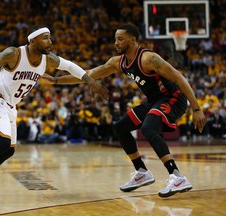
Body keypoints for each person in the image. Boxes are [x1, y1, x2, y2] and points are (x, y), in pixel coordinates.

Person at [43, 23, 206, 197]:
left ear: (133, 40)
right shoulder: (118, 62)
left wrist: (196, 108)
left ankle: (177, 176)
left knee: (148, 128)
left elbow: (179, 77)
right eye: (115, 39)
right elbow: (88, 74)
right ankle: (142, 172)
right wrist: (56, 81)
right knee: (120, 127)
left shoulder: (149, 59)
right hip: (154, 101)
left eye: (120, 39)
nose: (116, 43)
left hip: (174, 99)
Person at [0, 26, 109, 202]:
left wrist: (90, 81)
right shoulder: (13, 54)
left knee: (9, 150)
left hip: (10, 105)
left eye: (50, 37)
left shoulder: (48, 60)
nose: (50, 41)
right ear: (32, 40)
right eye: (45, 38)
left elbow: (70, 67)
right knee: (2, 143)